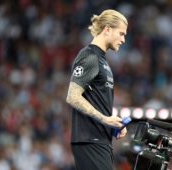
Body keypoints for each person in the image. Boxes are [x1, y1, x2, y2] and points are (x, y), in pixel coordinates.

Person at [66, 9, 128, 170]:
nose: (123, 39)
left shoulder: (102, 61)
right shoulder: (89, 56)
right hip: (89, 141)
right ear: (107, 29)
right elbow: (72, 96)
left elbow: (97, 101)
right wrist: (104, 119)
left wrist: (111, 123)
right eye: (121, 34)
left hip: (100, 140)